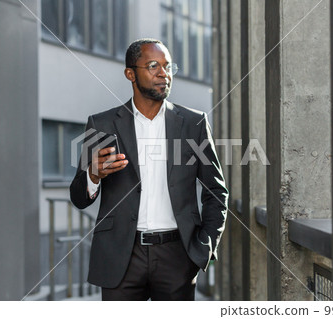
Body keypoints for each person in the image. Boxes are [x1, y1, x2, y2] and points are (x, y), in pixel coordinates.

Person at [70, 38, 228, 301]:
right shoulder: (102, 124)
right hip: (121, 257)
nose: (163, 74)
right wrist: (93, 175)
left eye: (168, 66)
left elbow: (216, 191)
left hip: (178, 257)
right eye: (153, 65)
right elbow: (78, 197)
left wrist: (204, 247)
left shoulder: (193, 123)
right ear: (130, 73)